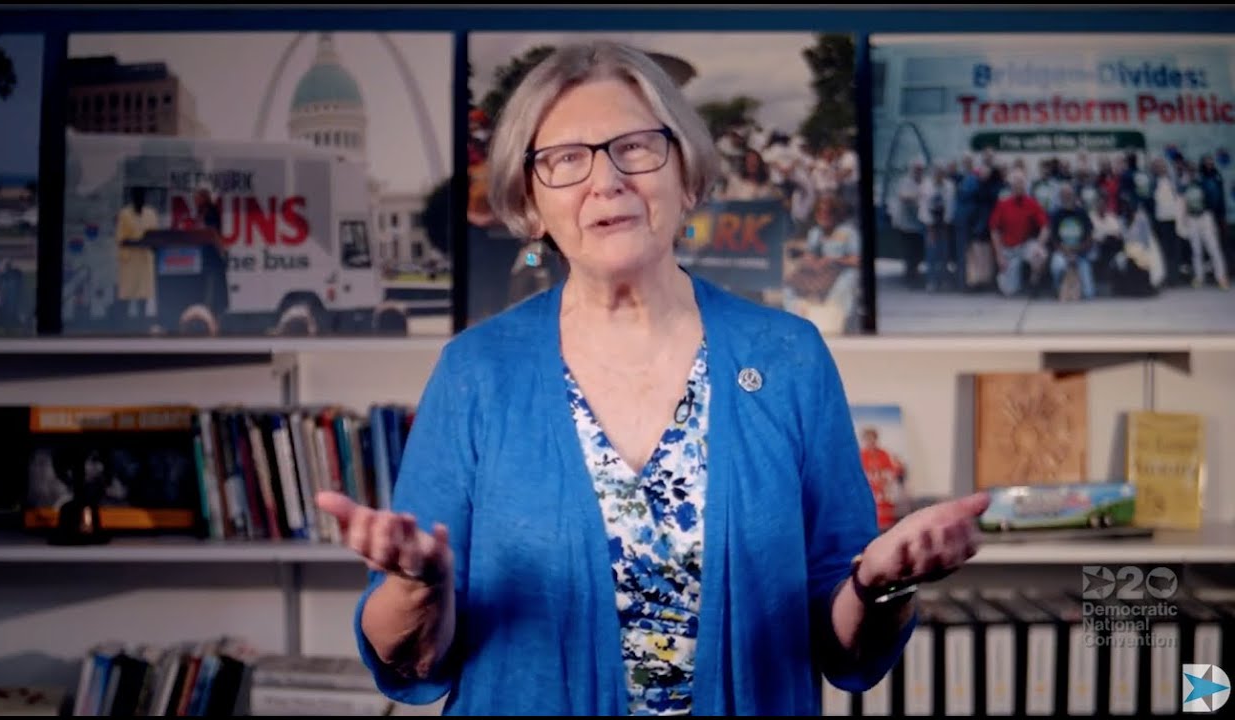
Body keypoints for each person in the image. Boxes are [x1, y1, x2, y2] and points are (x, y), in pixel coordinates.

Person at [316, 40, 988, 716]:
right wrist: (420, 589)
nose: (605, 181)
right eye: (565, 159)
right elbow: (413, 661)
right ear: (529, 203)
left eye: (635, 147)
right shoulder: (475, 372)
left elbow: (850, 654)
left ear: (687, 175)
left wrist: (882, 586)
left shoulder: (790, 358)